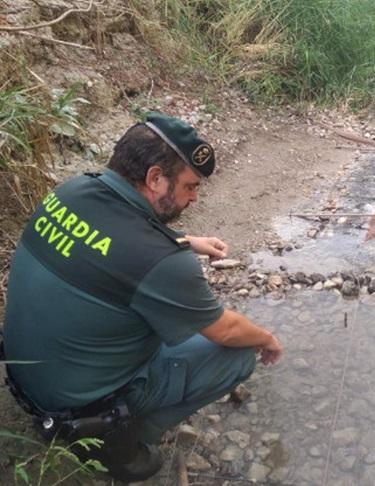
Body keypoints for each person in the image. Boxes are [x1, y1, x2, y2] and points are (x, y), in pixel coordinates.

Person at [1, 112, 282, 482]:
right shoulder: (163, 263)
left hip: (25, 379)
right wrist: (267, 338)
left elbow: (111, 246)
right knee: (239, 353)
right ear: (154, 178)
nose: (195, 197)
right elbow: (226, 331)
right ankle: (122, 439)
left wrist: (187, 241)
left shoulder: (70, 192)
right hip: (78, 407)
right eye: (190, 187)